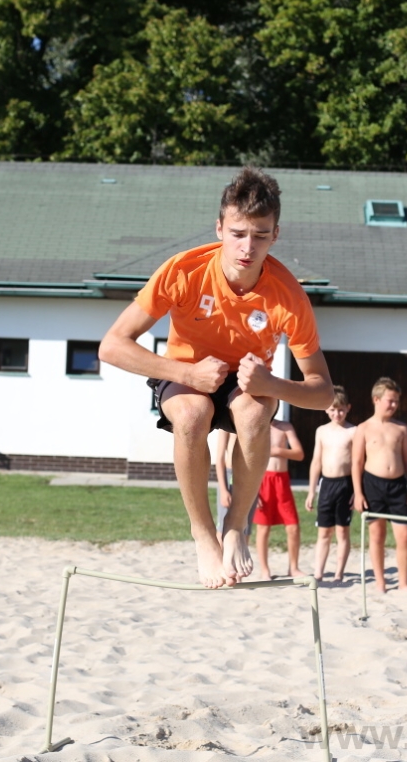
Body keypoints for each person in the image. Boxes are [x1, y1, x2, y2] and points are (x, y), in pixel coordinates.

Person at [99, 167, 334, 588]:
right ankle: (203, 534)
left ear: (276, 234)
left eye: (260, 235)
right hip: (186, 371)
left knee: (255, 414)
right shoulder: (183, 271)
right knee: (192, 414)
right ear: (220, 228)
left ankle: (235, 527)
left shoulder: (289, 296)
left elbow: (322, 393)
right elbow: (112, 345)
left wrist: (273, 385)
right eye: (238, 232)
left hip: (248, 381)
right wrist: (185, 371)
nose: (248, 247)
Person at [352, 377, 407, 594]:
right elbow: (357, 463)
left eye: (397, 401)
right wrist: (358, 492)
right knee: (377, 535)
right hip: (372, 484)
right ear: (376, 400)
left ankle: (403, 582)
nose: (394, 405)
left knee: (404, 535)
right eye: (390, 401)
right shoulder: (363, 428)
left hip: (398, 486)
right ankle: (380, 581)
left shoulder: (401, 428)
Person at [304, 386, 356, 582]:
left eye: (341, 409)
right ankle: (319, 572)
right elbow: (316, 462)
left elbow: (359, 463)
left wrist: (357, 492)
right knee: (324, 532)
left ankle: (339, 573)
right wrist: (311, 491)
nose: (337, 413)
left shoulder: (353, 431)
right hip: (326, 485)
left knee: (342, 531)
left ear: (348, 408)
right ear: (326, 409)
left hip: (346, 484)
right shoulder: (322, 431)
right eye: (333, 409)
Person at [253, 417, 305, 578]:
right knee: (263, 527)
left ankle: (294, 567)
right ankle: (264, 569)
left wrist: (276, 451)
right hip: (263, 480)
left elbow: (299, 454)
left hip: (282, 480)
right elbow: (249, 459)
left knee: (293, 526)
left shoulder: (285, 426)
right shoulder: (255, 425)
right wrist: (254, 490)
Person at [214, 430, 256, 539]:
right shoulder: (226, 426)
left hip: (249, 478)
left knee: (245, 527)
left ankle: (240, 554)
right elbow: (219, 459)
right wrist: (223, 490)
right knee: (223, 527)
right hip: (230, 477)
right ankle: (221, 555)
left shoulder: (251, 423)